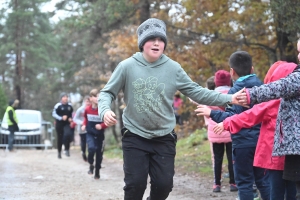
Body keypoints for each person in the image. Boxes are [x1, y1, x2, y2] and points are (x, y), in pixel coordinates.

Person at [97, 18, 245, 200]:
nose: (157, 43)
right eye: (152, 39)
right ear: (142, 43)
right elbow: (106, 93)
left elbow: (197, 92)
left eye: (161, 40)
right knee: (135, 185)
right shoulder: (127, 66)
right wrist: (105, 110)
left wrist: (230, 98)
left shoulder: (173, 68)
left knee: (164, 185)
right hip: (135, 135)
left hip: (163, 137)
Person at [214, 61, 297, 200]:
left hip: (274, 156)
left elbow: (250, 115)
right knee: (291, 192)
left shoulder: (273, 103)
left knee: (274, 191)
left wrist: (226, 122)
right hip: (294, 157)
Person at [195, 51, 270, 200]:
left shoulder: (234, 92)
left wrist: (211, 113)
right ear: (252, 69)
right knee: (263, 181)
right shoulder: (263, 87)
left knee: (245, 183)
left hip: (242, 144)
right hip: (262, 142)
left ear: (232, 72)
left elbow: (232, 118)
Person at [236, 39, 300, 200]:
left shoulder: (274, 99)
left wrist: (223, 121)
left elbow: (248, 116)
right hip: (287, 153)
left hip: (280, 153)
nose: (299, 57)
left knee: (271, 189)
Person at [207, 70, 237, 193]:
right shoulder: (233, 94)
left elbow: (197, 100)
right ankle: (233, 183)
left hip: (216, 132)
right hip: (230, 130)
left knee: (217, 158)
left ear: (216, 82)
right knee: (231, 158)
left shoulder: (211, 95)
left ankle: (216, 184)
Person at [81, 89, 107, 179]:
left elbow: (107, 122)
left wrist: (101, 125)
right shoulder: (87, 109)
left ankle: (97, 171)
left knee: (99, 153)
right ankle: (91, 164)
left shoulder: (102, 110)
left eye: (99, 96)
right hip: (90, 133)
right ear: (91, 98)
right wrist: (84, 125)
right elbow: (85, 118)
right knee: (91, 149)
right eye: (95, 96)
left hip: (100, 135)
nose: (97, 98)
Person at [52, 93, 74, 159]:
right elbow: (53, 114)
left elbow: (72, 114)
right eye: (64, 97)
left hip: (67, 123)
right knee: (60, 138)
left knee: (67, 135)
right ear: (61, 98)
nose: (65, 98)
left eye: (66, 97)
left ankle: (67, 149)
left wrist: (71, 118)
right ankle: (59, 152)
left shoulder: (70, 106)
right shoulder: (58, 105)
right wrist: (61, 117)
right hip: (59, 124)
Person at [73, 95, 91, 162]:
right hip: (81, 129)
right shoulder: (80, 110)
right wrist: (82, 123)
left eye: (89, 101)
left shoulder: (92, 109)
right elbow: (75, 118)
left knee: (89, 141)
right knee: (83, 142)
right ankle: (83, 152)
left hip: (89, 128)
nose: (88, 103)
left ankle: (90, 155)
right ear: (84, 102)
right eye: (87, 101)